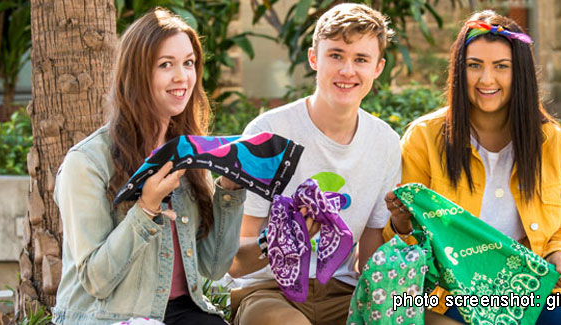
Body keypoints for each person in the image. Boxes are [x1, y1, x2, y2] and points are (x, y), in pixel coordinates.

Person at [383, 10, 561, 324]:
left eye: (501, 67)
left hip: (534, 288)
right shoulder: (424, 138)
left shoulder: (552, 142)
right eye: (474, 66)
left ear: (519, 72)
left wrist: (559, 256)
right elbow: (398, 241)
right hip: (450, 294)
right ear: (459, 71)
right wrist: (400, 224)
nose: (486, 79)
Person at [52, 8, 245, 324]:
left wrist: (230, 190)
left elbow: (213, 267)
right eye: (165, 65)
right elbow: (96, 280)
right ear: (137, 73)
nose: (182, 76)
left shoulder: (189, 153)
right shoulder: (86, 163)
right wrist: (146, 207)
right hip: (107, 316)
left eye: (188, 63)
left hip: (181, 312)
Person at [226, 3, 401, 324]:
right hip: (268, 289)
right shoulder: (269, 134)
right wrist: (278, 241)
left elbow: (371, 249)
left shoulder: (386, 142)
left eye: (361, 59)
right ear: (313, 58)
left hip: (342, 291)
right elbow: (233, 261)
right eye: (335, 55)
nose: (348, 70)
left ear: (378, 67)